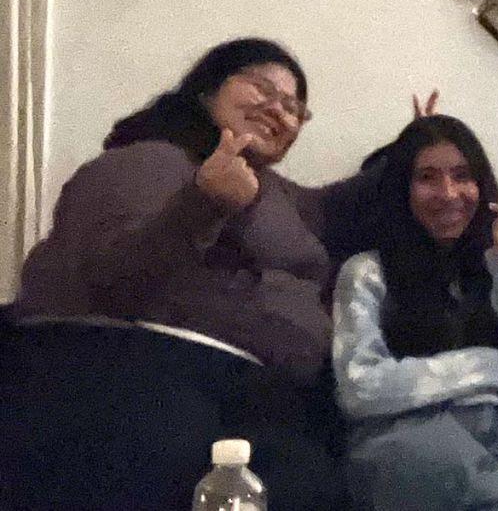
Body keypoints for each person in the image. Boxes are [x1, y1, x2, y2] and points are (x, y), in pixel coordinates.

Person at [0, 38, 349, 509]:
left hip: (258, 404)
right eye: (261, 88)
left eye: (294, 108)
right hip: (131, 377)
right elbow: (112, 277)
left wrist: (420, 141)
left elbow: (357, 199)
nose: (278, 111)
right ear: (207, 91)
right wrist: (203, 204)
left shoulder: (285, 199)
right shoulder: (146, 161)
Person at [332, 115, 498, 510]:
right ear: (403, 191)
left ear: (483, 185)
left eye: (463, 176)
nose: (448, 193)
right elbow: (359, 387)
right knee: (443, 469)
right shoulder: (367, 272)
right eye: (427, 177)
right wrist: (489, 366)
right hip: (407, 435)